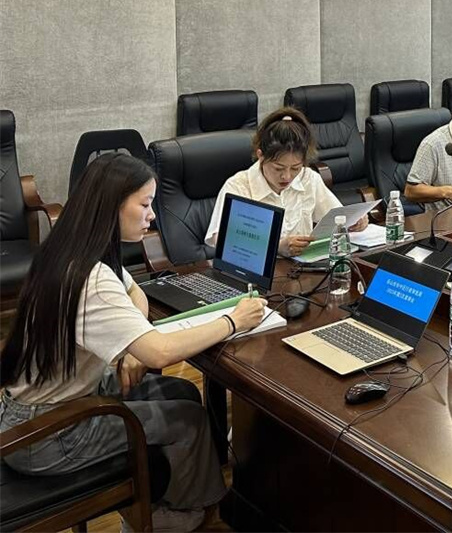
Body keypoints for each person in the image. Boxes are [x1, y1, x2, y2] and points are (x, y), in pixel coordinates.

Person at [0, 153, 266, 533]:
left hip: (38, 406)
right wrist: (233, 321)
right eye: (145, 204)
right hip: (47, 435)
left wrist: (130, 345)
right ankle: (187, 517)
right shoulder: (90, 279)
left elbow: (134, 292)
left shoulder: (74, 249)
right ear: (113, 206)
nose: (152, 215)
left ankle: (171, 500)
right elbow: (161, 351)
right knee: (188, 419)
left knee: (182, 392)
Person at [206, 107, 365, 257]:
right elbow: (221, 239)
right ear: (261, 156)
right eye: (278, 168)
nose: (287, 176)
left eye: (295, 168)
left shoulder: (308, 178)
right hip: (257, 271)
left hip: (302, 266)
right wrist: (276, 247)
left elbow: (337, 217)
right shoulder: (239, 186)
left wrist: (353, 221)